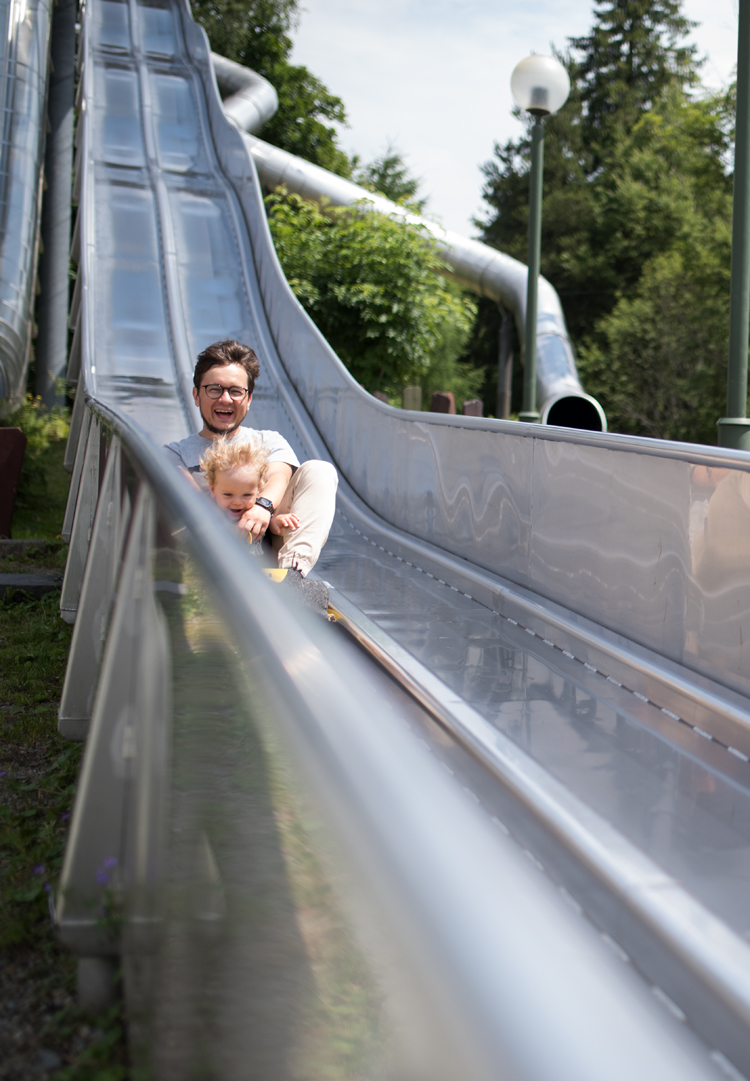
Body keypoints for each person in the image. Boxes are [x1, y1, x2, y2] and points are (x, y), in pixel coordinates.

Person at [163, 339, 338, 607]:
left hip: (266, 544)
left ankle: (292, 579)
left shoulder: (268, 441)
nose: (225, 399)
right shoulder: (175, 453)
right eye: (214, 389)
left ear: (248, 399)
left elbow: (279, 476)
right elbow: (190, 501)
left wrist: (263, 508)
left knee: (320, 470)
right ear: (196, 395)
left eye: (236, 391)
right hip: (209, 548)